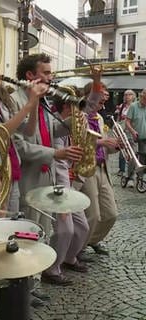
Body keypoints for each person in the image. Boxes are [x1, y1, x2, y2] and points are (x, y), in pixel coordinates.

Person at [11, 53, 83, 234]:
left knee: (44, 230)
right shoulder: (15, 100)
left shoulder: (42, 100)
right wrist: (55, 154)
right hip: (28, 176)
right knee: (28, 230)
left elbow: (51, 130)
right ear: (29, 75)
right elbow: (18, 145)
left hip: (46, 174)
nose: (51, 78)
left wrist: (74, 120)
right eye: (46, 73)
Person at [0, 68, 48, 212]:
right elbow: (0, 133)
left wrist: (34, 102)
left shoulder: (1, 101)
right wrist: (29, 103)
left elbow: (29, 131)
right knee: (0, 224)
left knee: (12, 223)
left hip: (11, 169)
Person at [41, 87, 90, 286]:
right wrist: (63, 204)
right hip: (58, 185)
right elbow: (59, 165)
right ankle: (51, 269)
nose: (78, 109)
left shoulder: (65, 124)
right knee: (65, 229)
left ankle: (69, 258)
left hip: (68, 182)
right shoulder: (54, 124)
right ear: (67, 106)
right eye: (74, 105)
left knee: (82, 226)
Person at [80, 84, 119, 256]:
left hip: (102, 168)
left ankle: (92, 240)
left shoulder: (100, 118)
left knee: (111, 213)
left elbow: (104, 145)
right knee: (93, 214)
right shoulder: (80, 116)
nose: (102, 102)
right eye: (99, 97)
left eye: (104, 99)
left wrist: (115, 146)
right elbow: (78, 141)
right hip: (87, 169)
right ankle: (77, 249)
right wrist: (102, 142)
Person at [114, 89, 136, 185]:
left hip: (131, 131)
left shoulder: (135, 106)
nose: (127, 96)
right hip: (123, 131)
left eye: (129, 94)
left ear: (133, 96)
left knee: (132, 152)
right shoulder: (122, 106)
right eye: (125, 94)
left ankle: (131, 175)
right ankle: (121, 169)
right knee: (122, 151)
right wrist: (117, 125)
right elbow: (119, 117)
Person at [125, 88, 146, 179]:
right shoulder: (133, 106)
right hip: (134, 136)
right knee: (133, 157)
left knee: (143, 158)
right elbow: (127, 122)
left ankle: (140, 178)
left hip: (144, 138)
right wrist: (133, 131)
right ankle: (129, 177)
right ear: (141, 97)